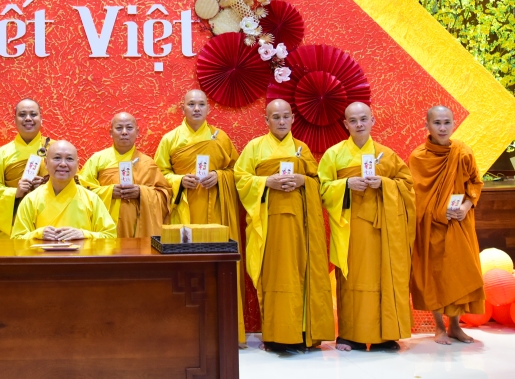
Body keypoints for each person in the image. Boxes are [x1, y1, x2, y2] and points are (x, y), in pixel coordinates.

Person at [235, 99, 333, 352]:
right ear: (266, 121)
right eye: (275, 117)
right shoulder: (254, 148)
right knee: (275, 276)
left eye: (285, 116)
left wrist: (302, 180)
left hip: (300, 227)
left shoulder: (302, 149)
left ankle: (302, 333)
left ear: (292, 119)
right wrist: (267, 182)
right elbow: (241, 179)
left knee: (301, 274)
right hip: (268, 226)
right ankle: (276, 335)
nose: (281, 121)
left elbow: (317, 182)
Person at [319, 102, 415, 351]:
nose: (359, 124)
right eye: (353, 120)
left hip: (382, 231)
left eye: (364, 119)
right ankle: (350, 334)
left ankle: (385, 335)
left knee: (383, 277)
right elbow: (321, 188)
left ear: (373, 120)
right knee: (351, 280)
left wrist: (383, 183)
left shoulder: (388, 155)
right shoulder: (334, 154)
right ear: (345, 124)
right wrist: (346, 184)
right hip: (350, 230)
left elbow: (406, 185)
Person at [154, 89, 245, 344]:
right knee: (185, 268)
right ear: (182, 107)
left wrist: (220, 176)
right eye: (191, 104)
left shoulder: (220, 137)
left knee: (217, 265)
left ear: (208, 109)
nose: (196, 108)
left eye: (201, 104)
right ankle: (182, 332)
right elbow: (159, 175)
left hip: (215, 209)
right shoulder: (170, 139)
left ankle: (224, 331)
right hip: (183, 209)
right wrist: (180, 179)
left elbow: (235, 170)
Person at [409, 105, 484, 345]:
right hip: (430, 226)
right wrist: (437, 212)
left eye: (447, 122)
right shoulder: (418, 157)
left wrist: (465, 207)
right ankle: (439, 327)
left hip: (459, 223)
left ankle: (455, 326)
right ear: (427, 126)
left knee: (458, 271)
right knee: (434, 275)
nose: (442, 128)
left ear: (453, 124)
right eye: (437, 123)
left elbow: (475, 183)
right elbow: (415, 196)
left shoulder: (463, 152)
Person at [78, 112, 169, 238]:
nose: (124, 132)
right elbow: (81, 192)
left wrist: (141, 192)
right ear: (111, 132)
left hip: (137, 229)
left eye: (129, 128)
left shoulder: (148, 163)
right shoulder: (97, 159)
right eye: (119, 128)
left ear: (137, 132)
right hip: (104, 228)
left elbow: (164, 197)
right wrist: (109, 192)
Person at [11, 140, 116, 240]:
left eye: (69, 159)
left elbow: (110, 235)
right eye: (57, 158)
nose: (63, 164)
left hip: (80, 258)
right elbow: (16, 239)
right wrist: (38, 234)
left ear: (77, 164)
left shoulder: (92, 199)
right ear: (46, 163)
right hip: (43, 258)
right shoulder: (31, 200)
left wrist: (84, 234)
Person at [0, 99, 50, 239]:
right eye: (22, 114)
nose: (28, 118)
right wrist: (14, 193)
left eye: (33, 114)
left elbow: (74, 186)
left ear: (41, 118)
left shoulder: (55, 149)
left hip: (48, 224)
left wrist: (49, 186)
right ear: (14, 120)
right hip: (12, 225)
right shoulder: (2, 154)